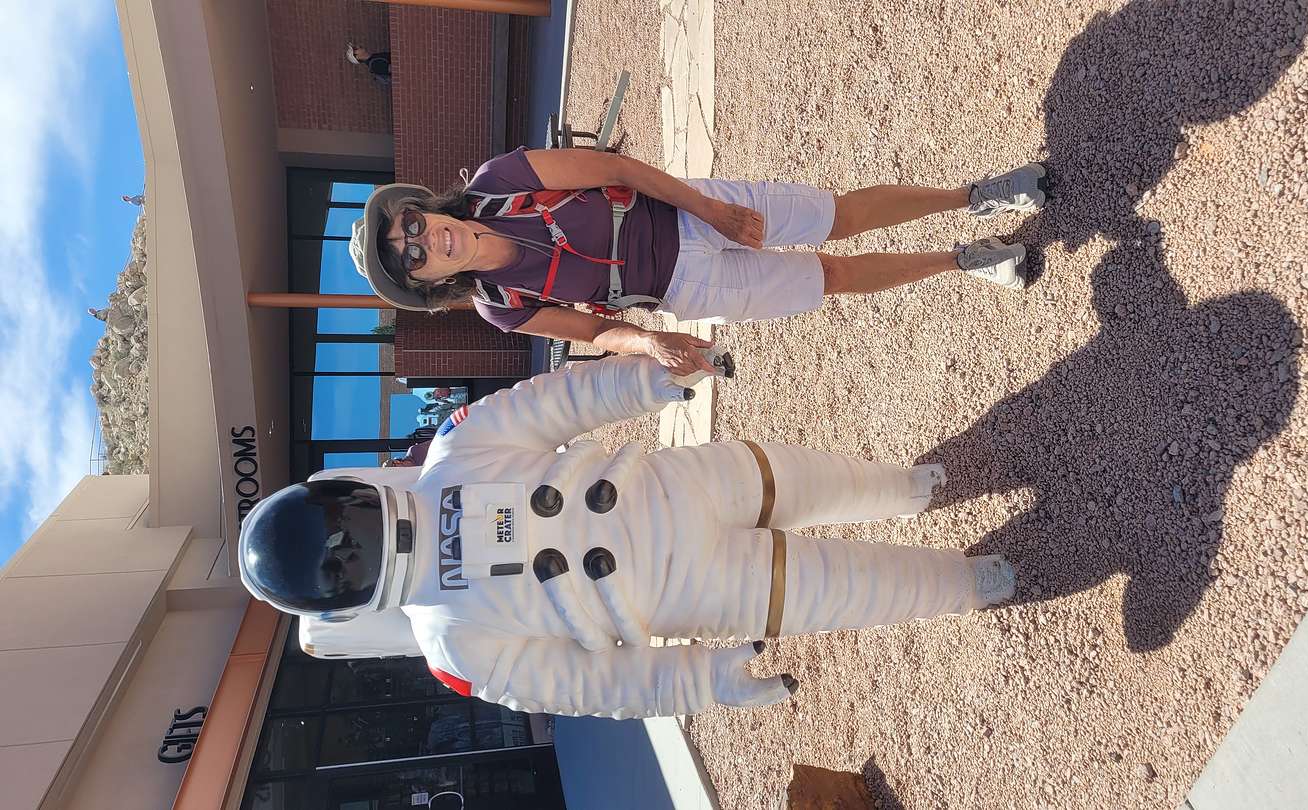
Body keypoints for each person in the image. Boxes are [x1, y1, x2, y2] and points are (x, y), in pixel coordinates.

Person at [237, 354, 1015, 719]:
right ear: (340, 600)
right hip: (697, 592)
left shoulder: (456, 451)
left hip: (686, 482)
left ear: (345, 491)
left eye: (346, 523)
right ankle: (969, 583)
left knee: (818, 479)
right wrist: (702, 682)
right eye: (346, 557)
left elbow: (556, 403)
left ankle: (906, 488)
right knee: (848, 588)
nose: (358, 541)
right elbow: (590, 688)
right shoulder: (454, 645)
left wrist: (647, 380)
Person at [347, 147, 1048, 375]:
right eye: (411, 257)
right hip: (684, 284)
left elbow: (615, 166)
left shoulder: (502, 181)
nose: (423, 239)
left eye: (411, 224)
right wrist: (647, 340)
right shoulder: (501, 308)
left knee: (837, 216)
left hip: (683, 209)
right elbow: (593, 333)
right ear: (427, 283)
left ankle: (976, 195)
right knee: (827, 278)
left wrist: (711, 210)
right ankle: (964, 261)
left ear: (423, 207)